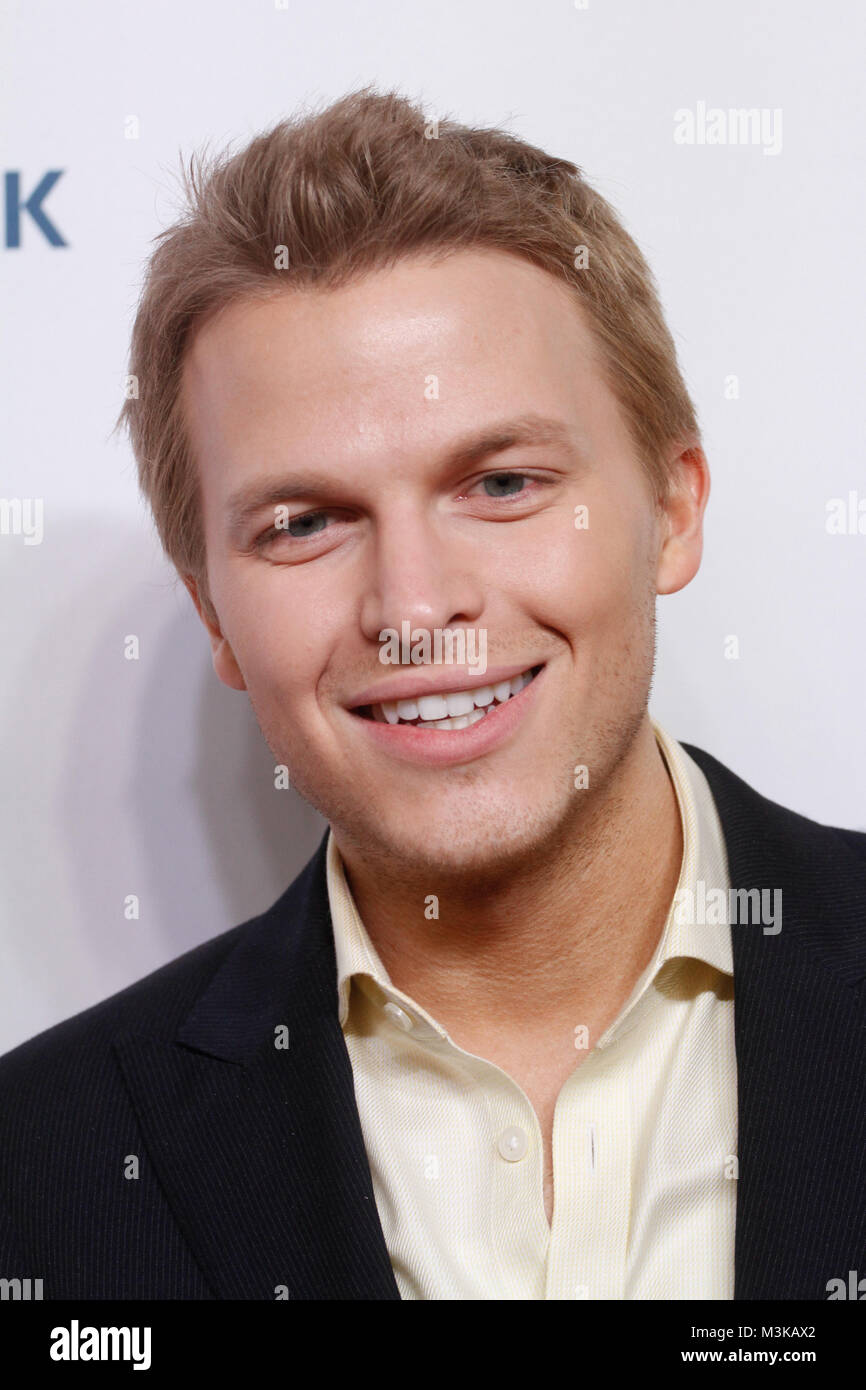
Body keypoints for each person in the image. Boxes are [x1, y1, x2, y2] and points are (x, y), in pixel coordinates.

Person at [1, 87, 863, 1302]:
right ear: (212, 616)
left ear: (671, 510)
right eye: (304, 523)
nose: (412, 608)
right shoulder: (38, 1173)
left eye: (502, 484)